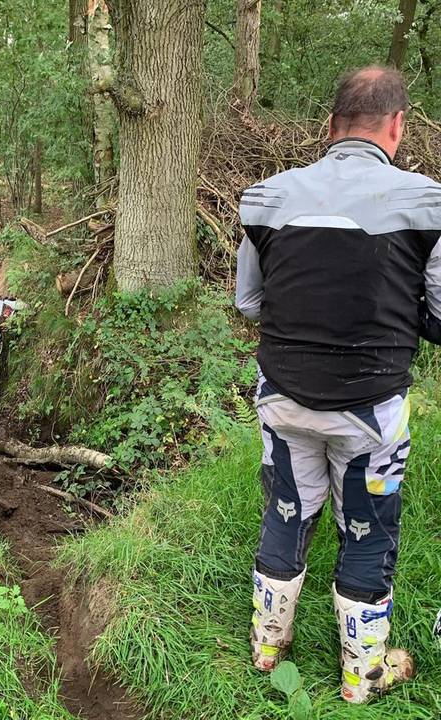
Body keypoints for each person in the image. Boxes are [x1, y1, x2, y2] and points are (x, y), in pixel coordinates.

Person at [235, 65, 438, 703]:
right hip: (370, 408)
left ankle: (268, 644)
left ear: (330, 127)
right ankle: (363, 674)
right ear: (397, 126)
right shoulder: (428, 201)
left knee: (287, 510)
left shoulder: (264, 198)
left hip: (283, 397)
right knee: (368, 529)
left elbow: (248, 303)